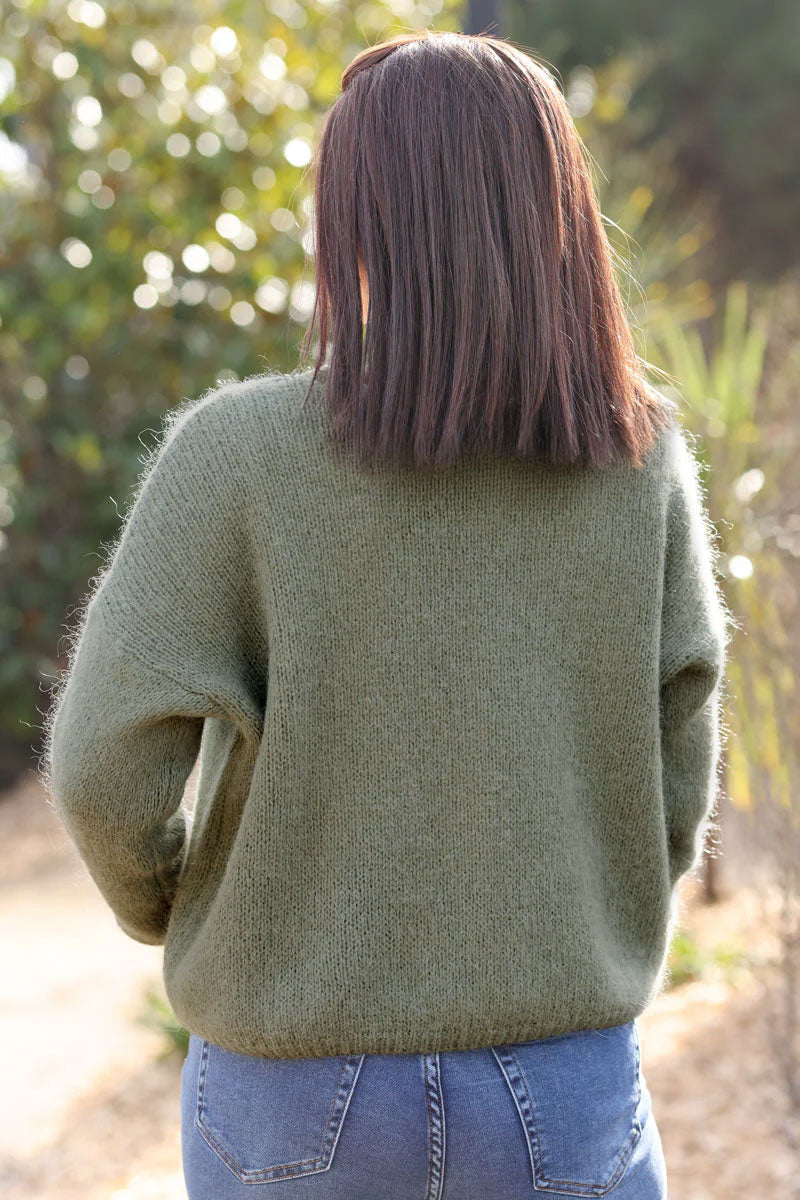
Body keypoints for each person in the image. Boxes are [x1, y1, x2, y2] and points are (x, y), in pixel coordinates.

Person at [40, 28, 732, 1200]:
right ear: (554, 213)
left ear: (357, 219)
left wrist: (185, 905)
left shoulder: (238, 455)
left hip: (292, 1085)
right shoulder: (634, 456)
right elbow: (675, 764)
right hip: (560, 1081)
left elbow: (104, 764)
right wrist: (572, 910)